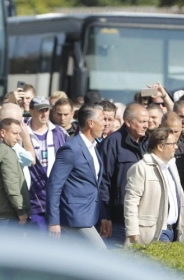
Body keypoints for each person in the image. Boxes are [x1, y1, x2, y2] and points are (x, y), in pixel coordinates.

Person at [124, 127, 184, 245]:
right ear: (160, 146)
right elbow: (131, 202)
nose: (176, 147)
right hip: (155, 232)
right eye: (173, 144)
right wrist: (132, 230)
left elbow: (178, 197)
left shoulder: (171, 167)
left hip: (174, 230)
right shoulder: (141, 168)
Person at [46, 104, 107, 249]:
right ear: (90, 123)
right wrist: (54, 221)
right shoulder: (71, 149)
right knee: (101, 253)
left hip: (90, 214)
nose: (106, 123)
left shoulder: (94, 147)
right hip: (75, 216)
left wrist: (104, 215)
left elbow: (95, 185)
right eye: (103, 119)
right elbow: (54, 185)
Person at [97, 103, 149, 246]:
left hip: (142, 219)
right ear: (128, 121)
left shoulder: (147, 143)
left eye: (147, 122)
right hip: (117, 220)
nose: (146, 125)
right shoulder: (112, 143)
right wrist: (105, 216)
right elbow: (102, 181)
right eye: (142, 122)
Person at [27, 97, 69, 231]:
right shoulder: (21, 132)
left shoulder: (59, 132)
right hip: (32, 201)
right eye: (40, 110)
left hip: (55, 201)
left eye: (46, 110)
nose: (44, 114)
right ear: (31, 111)